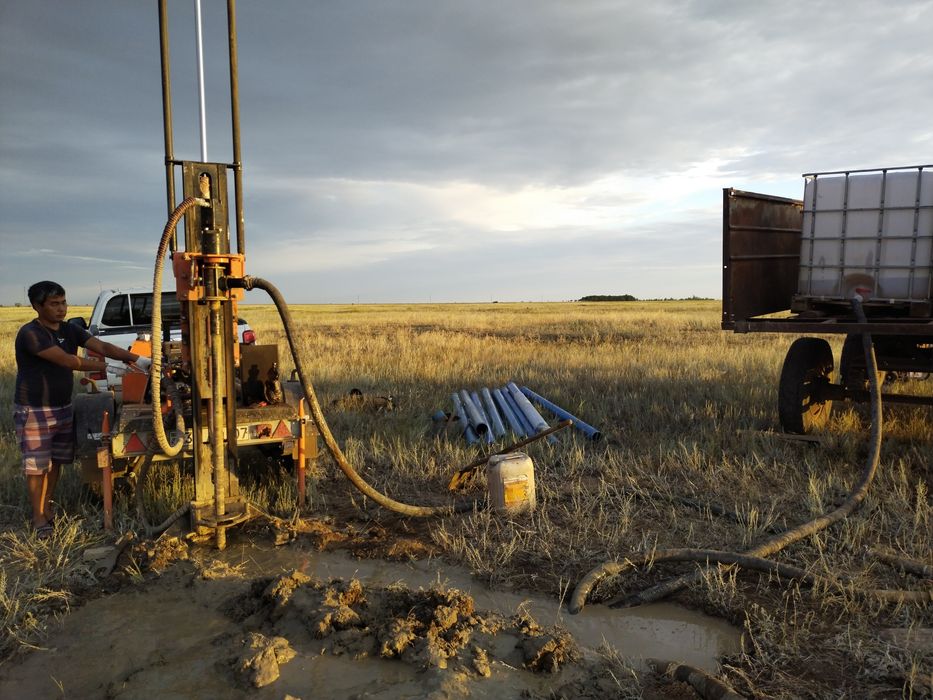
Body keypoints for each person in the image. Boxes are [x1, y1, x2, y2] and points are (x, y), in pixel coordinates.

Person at [14, 280, 151, 539]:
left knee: (55, 463)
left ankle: (48, 507)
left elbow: (102, 347)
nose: (61, 309)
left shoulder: (70, 329)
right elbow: (67, 361)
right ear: (36, 306)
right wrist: (110, 368)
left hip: (63, 406)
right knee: (36, 466)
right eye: (54, 304)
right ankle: (38, 517)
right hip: (35, 410)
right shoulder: (31, 334)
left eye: (63, 302)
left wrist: (138, 359)